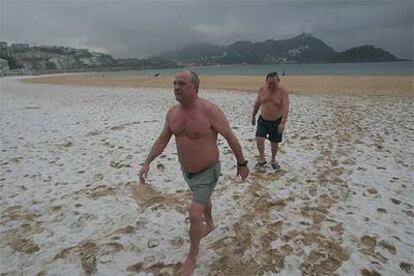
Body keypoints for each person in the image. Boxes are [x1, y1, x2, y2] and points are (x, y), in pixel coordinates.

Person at [139, 70, 249, 276]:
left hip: (208, 171)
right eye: (174, 83)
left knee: (194, 213)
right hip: (187, 172)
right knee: (203, 199)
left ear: (195, 88)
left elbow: (231, 138)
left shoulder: (210, 111)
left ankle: (191, 258)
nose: (176, 87)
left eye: (181, 83)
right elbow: (162, 140)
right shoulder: (172, 113)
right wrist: (147, 162)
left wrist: (242, 163)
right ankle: (211, 223)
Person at [251, 71, 289, 170]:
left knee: (274, 142)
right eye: (269, 83)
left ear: (278, 81)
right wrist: (253, 116)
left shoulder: (283, 92)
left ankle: (273, 160)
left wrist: (282, 123)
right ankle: (262, 159)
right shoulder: (262, 89)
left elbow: (286, 107)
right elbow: (257, 104)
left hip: (276, 121)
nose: (271, 85)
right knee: (259, 138)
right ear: (266, 81)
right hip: (263, 119)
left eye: (274, 83)